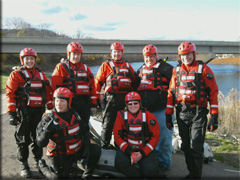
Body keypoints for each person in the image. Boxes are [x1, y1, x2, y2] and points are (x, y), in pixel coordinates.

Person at [165, 41, 219, 179]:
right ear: (180, 56)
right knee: (185, 147)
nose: (186, 57)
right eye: (183, 55)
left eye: (188, 54)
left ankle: (196, 176)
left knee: (196, 146)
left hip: (198, 113)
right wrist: (168, 114)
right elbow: (171, 93)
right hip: (181, 112)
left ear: (194, 54)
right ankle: (192, 173)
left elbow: (213, 93)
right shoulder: (176, 71)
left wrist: (214, 116)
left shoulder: (204, 69)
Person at [5, 47, 53, 178]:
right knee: (22, 139)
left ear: (35, 60)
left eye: (32, 59)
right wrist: (11, 113)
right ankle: (24, 164)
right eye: (27, 59)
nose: (29, 61)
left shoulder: (40, 74)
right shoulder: (16, 74)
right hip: (23, 112)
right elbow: (10, 93)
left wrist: (50, 106)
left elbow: (47, 90)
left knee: (38, 137)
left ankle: (39, 161)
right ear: (22, 60)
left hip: (38, 112)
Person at [36, 87, 101, 179]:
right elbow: (40, 143)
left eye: (62, 101)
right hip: (59, 155)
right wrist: (47, 131)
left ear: (68, 102)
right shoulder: (47, 118)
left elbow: (85, 130)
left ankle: (87, 174)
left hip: (74, 151)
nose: (59, 104)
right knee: (57, 178)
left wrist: (86, 147)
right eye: (57, 101)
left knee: (95, 150)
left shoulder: (74, 114)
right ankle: (42, 166)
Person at [134, 44, 174, 171]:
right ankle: (151, 161)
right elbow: (134, 86)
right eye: (146, 57)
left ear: (156, 56)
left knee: (165, 139)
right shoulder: (141, 70)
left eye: (151, 56)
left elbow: (176, 81)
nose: (149, 59)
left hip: (163, 110)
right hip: (146, 111)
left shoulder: (166, 68)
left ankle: (164, 163)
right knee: (148, 138)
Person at [113, 91, 167, 179]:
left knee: (150, 171)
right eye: (130, 104)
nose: (133, 106)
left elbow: (155, 137)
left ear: (140, 103)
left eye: (135, 103)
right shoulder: (121, 116)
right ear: (126, 105)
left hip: (144, 148)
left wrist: (142, 153)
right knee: (120, 164)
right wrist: (129, 151)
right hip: (127, 148)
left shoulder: (150, 117)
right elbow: (117, 136)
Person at [95, 42, 136, 149]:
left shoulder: (128, 66)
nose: (116, 54)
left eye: (119, 52)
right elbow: (97, 81)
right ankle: (105, 145)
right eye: (115, 52)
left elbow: (135, 82)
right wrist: (98, 95)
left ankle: (121, 145)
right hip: (110, 99)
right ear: (111, 53)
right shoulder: (106, 65)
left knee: (123, 124)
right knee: (108, 124)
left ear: (122, 53)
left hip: (125, 100)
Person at [51, 42, 97, 125]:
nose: (76, 57)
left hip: (84, 103)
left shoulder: (85, 68)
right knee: (70, 126)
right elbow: (55, 89)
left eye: (78, 54)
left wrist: (93, 104)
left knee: (84, 127)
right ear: (69, 54)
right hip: (69, 104)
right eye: (74, 54)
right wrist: (56, 105)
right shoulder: (61, 68)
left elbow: (92, 87)